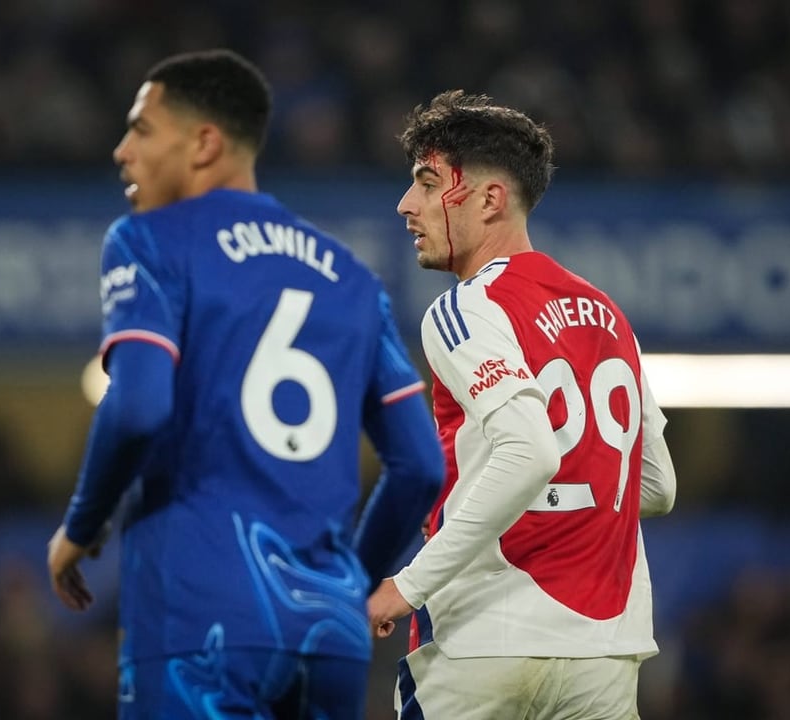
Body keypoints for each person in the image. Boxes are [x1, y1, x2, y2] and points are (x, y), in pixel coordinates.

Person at [46, 48, 444, 720]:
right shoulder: (351, 278)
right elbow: (419, 465)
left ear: (204, 143)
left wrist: (80, 526)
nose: (121, 151)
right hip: (327, 635)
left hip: (199, 618)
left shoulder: (149, 240)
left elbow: (138, 406)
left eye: (142, 129)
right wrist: (347, 580)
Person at [366, 90, 677, 719]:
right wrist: (572, 493)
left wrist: (409, 583)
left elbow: (529, 450)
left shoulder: (466, 307)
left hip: (484, 642)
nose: (407, 205)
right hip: (605, 654)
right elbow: (655, 485)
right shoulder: (609, 315)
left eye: (427, 183)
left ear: (487, 199)